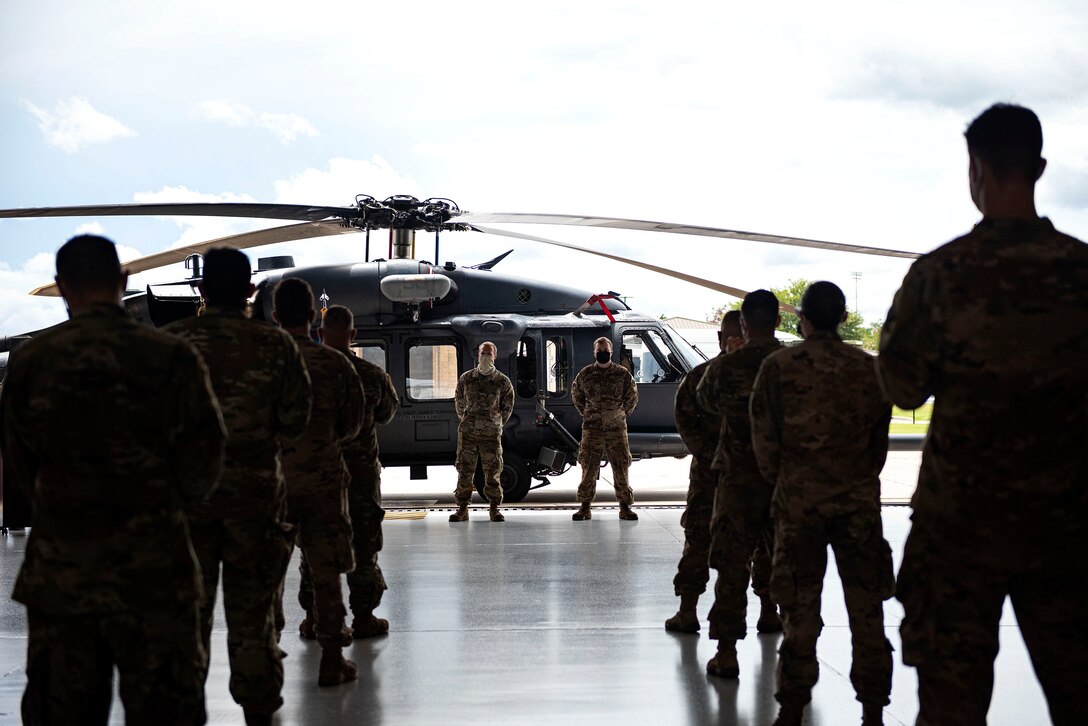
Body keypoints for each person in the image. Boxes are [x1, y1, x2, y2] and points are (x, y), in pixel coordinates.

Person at [879, 103, 1088, 725]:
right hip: (1068, 528)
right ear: (1041, 167)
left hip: (960, 531)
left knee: (950, 707)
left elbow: (901, 387)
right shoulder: (1081, 272)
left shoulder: (939, 276)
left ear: (975, 169)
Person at [0, 234, 226, 725]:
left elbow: (16, 466)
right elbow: (207, 460)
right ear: (124, 281)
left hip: (63, 575)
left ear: (61, 288)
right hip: (156, 572)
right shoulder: (172, 356)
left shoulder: (31, 362)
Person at [165, 247, 311, 726]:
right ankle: (258, 710)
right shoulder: (276, 346)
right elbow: (295, 423)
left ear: (201, 290)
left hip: (187, 508)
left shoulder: (172, 345)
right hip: (255, 504)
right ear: (251, 290)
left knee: (187, 618)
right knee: (253, 621)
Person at [751, 282, 894, 726]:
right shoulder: (869, 369)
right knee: (868, 611)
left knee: (799, 610)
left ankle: (792, 709)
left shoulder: (778, 367)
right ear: (843, 316)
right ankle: (872, 709)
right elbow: (878, 444)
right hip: (858, 507)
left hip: (799, 506)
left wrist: (789, 482)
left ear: (802, 320)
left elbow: (764, 443)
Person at [273, 278, 365, 687]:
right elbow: (353, 426)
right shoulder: (336, 365)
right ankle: (331, 659)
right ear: (313, 318)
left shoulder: (264, 362)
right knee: (327, 571)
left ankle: (267, 651)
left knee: (267, 573)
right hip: (324, 482)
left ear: (275, 317)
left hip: (270, 485)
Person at [695, 290, 783, 678]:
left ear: (743, 325)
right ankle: (796, 643)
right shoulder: (791, 363)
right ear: (778, 322)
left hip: (738, 479)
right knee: (786, 560)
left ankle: (727, 653)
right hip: (783, 481)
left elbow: (706, 402)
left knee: (732, 565)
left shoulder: (726, 368)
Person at [311, 304, 399, 638]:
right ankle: (363, 618)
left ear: (319, 334)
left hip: (315, 474)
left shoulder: (304, 372)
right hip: (359, 476)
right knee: (363, 545)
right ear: (353, 336)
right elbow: (385, 415)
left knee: (315, 545)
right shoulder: (372, 375)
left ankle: (314, 618)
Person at [666, 311, 743, 633]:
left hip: (711, 473)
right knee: (758, 542)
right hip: (749, 474)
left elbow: (686, 423)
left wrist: (711, 454)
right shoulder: (770, 371)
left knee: (699, 539)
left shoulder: (702, 375)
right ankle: (769, 610)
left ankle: (688, 610)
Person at [571, 336, 639, 521]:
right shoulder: (585, 375)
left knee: (621, 466)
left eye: (606, 351)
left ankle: (625, 507)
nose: (603, 354)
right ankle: (585, 508)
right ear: (594, 352)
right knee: (588, 467)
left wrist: (619, 413)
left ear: (611, 351)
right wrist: (587, 412)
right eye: (600, 351)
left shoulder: (622, 374)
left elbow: (632, 397)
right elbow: (576, 395)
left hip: (616, 429)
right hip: (592, 429)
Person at [450, 341, 515, 522]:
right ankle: (462, 509)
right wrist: (466, 418)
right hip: (468, 433)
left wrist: (495, 423)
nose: (485, 356)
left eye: (489, 353)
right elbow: (459, 400)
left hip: (491, 434)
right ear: (478, 355)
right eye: (482, 353)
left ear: (495, 356)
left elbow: (507, 407)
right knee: (464, 470)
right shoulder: (466, 378)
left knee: (493, 470)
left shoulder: (502, 381)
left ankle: (494, 508)